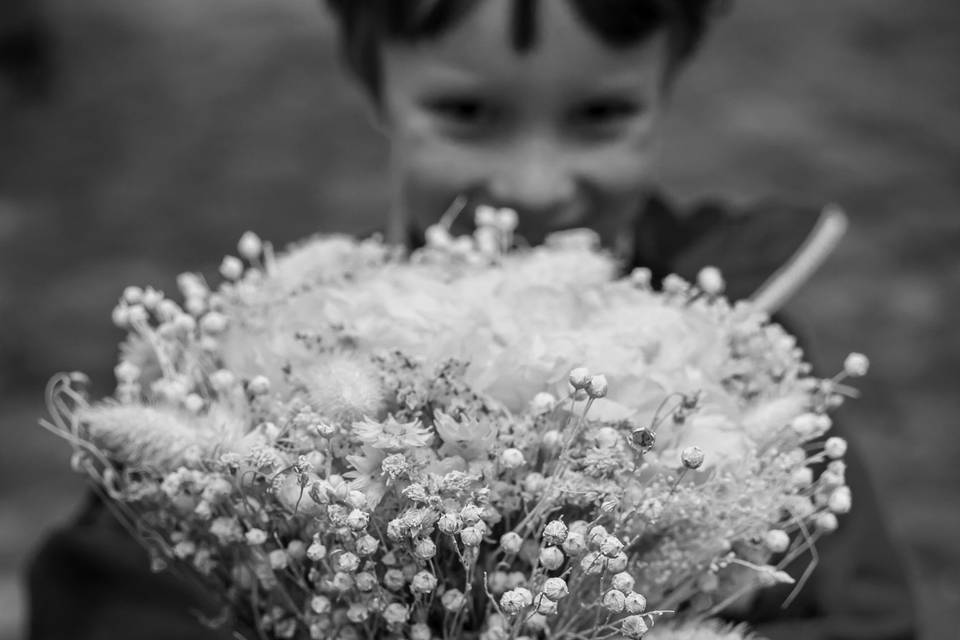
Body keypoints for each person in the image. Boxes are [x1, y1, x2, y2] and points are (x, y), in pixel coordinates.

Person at [27, 2, 917, 639]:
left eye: (601, 115)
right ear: (374, 84)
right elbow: (100, 598)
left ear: (667, 86)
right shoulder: (280, 354)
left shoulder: (746, 359)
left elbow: (871, 616)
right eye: (466, 114)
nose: (536, 182)